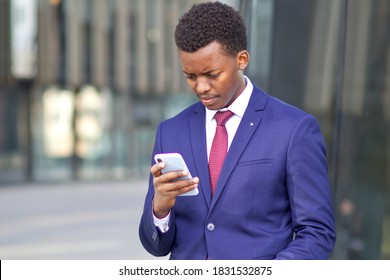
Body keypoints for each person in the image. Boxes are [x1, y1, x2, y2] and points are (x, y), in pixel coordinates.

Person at [139, 1, 336, 260]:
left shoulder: (293, 129)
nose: (201, 87)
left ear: (241, 59)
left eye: (212, 74)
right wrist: (160, 210)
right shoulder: (170, 132)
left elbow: (317, 233)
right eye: (190, 76)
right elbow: (156, 246)